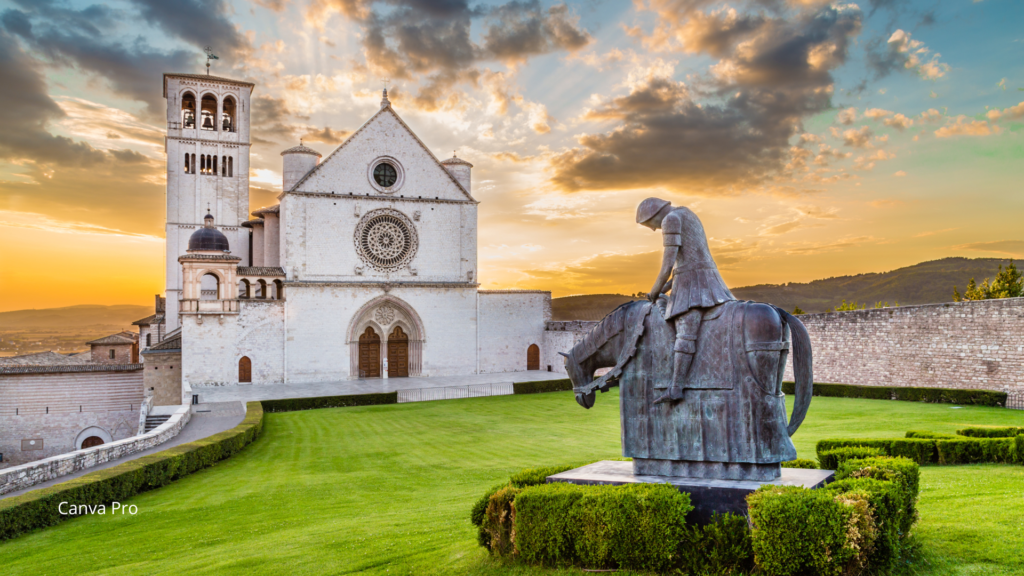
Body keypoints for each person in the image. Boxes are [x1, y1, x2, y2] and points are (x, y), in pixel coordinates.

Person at [636, 198, 736, 404]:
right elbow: (690, 263)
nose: (653, 230)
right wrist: (666, 288)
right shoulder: (687, 213)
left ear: (654, 215)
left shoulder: (670, 219)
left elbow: (668, 264)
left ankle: (676, 388)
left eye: (649, 225)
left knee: (685, 333)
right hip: (703, 278)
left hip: (696, 285)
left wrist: (655, 291)